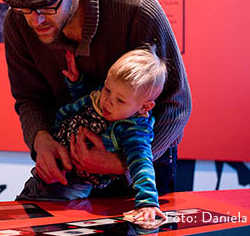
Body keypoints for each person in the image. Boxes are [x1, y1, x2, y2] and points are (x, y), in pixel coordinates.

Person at [0, 0, 191, 198]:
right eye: (23, 9)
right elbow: (30, 97)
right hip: (72, 162)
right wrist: (41, 139)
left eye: (46, 7)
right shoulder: (18, 22)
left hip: (142, 158)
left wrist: (120, 164)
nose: (34, 20)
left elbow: (177, 105)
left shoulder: (134, 5)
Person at [19, 48, 167, 221]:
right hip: (48, 167)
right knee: (23, 213)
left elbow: (142, 163)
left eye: (120, 100)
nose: (108, 101)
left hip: (70, 184)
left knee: (37, 222)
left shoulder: (133, 130)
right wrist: (76, 82)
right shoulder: (107, 98)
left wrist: (147, 202)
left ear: (144, 107)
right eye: (107, 89)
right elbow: (86, 104)